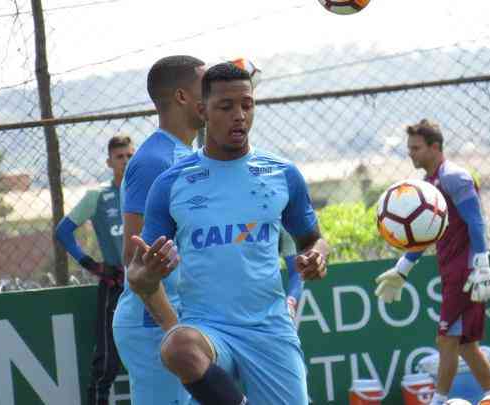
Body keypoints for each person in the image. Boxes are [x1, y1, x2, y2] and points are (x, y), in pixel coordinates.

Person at [127, 62, 329, 405]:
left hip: (270, 329)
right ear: (203, 110)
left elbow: (312, 239)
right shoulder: (171, 183)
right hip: (208, 330)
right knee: (177, 347)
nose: (239, 115)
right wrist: (145, 275)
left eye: (247, 105)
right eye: (226, 106)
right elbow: (136, 274)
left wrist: (317, 256)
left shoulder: (283, 174)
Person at [374, 119, 490, 405]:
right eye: (409, 148)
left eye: (416, 148)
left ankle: (438, 401)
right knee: (467, 345)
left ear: (435, 147)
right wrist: (402, 269)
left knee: (446, 340)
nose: (411, 153)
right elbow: (426, 235)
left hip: (465, 273)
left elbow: (476, 222)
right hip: (452, 271)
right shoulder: (428, 186)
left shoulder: (455, 177)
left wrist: (481, 264)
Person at [112, 55, 206, 405]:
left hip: (182, 318)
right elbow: (134, 257)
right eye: (205, 88)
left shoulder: (189, 153)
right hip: (154, 325)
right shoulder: (155, 161)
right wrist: (171, 326)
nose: (213, 96)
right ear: (182, 97)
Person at [55, 134, 134, 405]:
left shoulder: (147, 191)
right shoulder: (97, 196)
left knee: (163, 350)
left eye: (129, 156)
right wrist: (91, 264)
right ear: (109, 161)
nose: (125, 161)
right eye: (120, 157)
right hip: (114, 285)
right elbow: (63, 231)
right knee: (106, 362)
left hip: (148, 282)